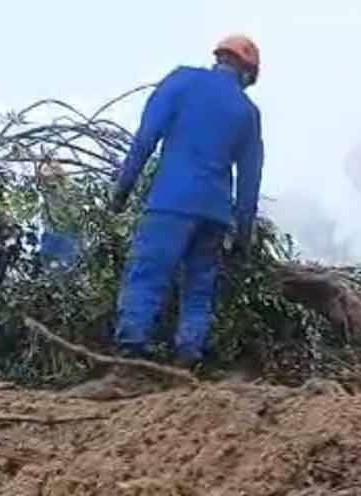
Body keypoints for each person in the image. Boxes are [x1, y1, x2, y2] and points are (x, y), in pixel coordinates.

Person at [110, 34, 264, 369]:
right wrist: (243, 238)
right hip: (214, 213)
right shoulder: (247, 111)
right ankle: (189, 355)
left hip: (171, 202)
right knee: (199, 287)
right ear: (247, 73)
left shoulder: (181, 82)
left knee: (148, 274)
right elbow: (250, 181)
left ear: (219, 58)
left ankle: (131, 353)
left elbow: (145, 138)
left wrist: (122, 190)